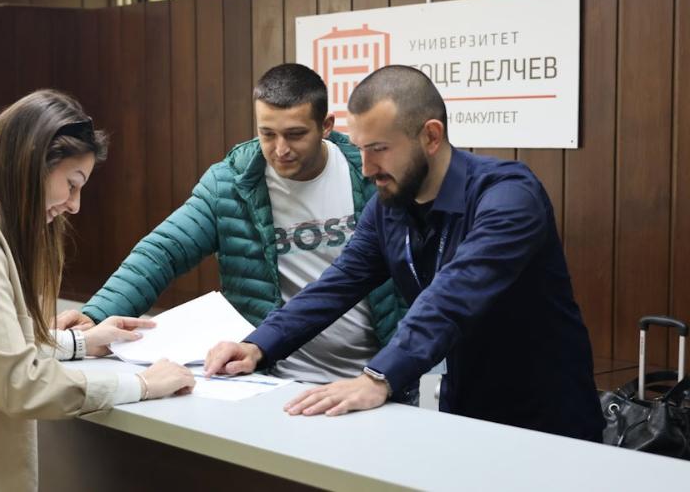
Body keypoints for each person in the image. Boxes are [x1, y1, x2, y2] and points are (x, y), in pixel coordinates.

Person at [205, 65, 606, 441]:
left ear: (431, 136)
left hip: (547, 417)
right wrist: (259, 345)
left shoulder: (508, 197)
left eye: (379, 149)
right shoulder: (389, 206)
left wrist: (377, 377)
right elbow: (337, 285)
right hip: (466, 407)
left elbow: (453, 295)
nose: (366, 168)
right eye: (360, 149)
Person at [0, 90, 195, 492]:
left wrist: (81, 343)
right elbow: (19, 383)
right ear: (34, 162)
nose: (74, 205)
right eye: (72, 184)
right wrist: (142, 385)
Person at [58, 64, 416, 392]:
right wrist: (96, 314)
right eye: (267, 133)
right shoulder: (231, 184)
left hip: (372, 379)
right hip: (272, 378)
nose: (280, 149)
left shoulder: (371, 176)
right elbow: (163, 252)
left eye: (295, 134)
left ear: (326, 126)